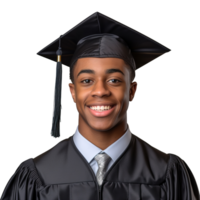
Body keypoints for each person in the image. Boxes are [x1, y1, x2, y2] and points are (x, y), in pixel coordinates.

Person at [1, 11, 199, 200]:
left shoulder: (165, 172)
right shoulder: (37, 175)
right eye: (87, 81)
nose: (100, 91)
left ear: (132, 90)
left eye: (114, 80)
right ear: (72, 91)